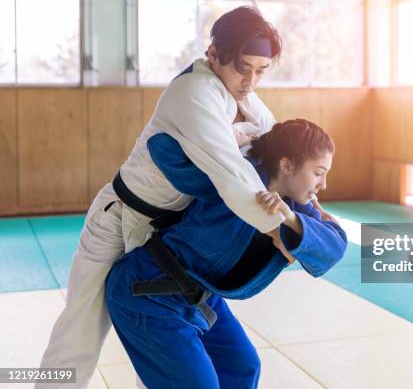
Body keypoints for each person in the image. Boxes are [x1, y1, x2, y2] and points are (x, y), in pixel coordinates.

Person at [38, 6, 289, 388]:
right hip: (117, 220)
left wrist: (309, 206)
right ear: (215, 54)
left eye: (261, 70)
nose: (251, 81)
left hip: (169, 235)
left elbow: (279, 146)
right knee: (80, 334)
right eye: (243, 67)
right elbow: (234, 177)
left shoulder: (241, 97)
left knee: (165, 340)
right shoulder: (192, 92)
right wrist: (285, 229)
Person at [105, 119, 347, 388]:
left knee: (242, 368)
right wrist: (223, 139)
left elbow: (336, 246)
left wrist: (289, 220)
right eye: (318, 172)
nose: (323, 184)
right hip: (148, 291)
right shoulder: (234, 177)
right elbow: (162, 146)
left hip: (201, 297)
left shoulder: (294, 206)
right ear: (287, 165)